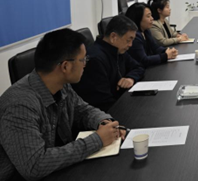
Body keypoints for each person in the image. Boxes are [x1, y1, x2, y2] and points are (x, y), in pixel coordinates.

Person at [0, 29, 125, 180]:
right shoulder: (20, 105)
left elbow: (82, 110)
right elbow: (34, 165)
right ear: (65, 66)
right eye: (83, 60)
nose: (85, 64)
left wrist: (104, 122)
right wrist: (97, 140)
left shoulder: (61, 85)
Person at [73, 15, 145, 111]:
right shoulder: (95, 60)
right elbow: (103, 103)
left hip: (120, 101)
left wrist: (130, 78)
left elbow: (138, 67)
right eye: (128, 40)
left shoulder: (118, 50)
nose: (130, 45)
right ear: (113, 37)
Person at [126, 3, 178, 67]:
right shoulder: (134, 36)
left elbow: (155, 48)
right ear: (138, 19)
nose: (152, 18)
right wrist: (165, 56)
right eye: (148, 16)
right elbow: (144, 60)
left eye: (151, 15)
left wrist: (167, 50)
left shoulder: (146, 31)